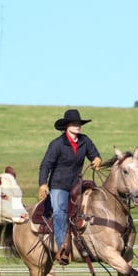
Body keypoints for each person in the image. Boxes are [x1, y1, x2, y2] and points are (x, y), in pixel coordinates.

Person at [38, 109, 102, 264]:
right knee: (60, 213)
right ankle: (63, 249)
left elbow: (94, 154)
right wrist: (43, 184)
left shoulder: (84, 141)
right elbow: (46, 165)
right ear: (67, 126)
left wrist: (97, 159)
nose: (78, 126)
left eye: (79, 123)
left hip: (76, 185)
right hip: (59, 185)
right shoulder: (57, 144)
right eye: (74, 124)